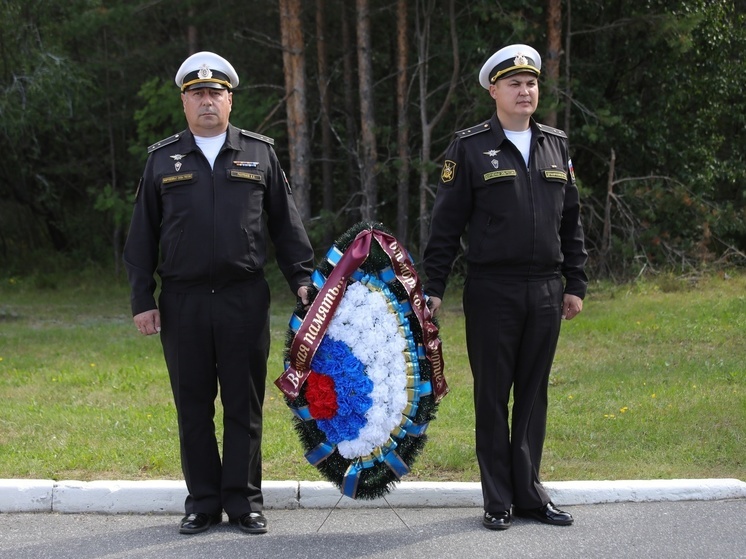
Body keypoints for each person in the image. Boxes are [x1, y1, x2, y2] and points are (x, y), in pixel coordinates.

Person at [123, 51, 314, 535]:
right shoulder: (163, 159)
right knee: (192, 405)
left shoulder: (260, 154)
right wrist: (142, 299)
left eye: (215, 93)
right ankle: (203, 502)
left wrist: (303, 279)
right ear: (184, 103)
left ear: (230, 100)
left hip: (243, 298)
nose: (206, 101)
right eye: (196, 94)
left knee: (243, 405)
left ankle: (245, 500)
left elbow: (286, 227)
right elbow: (141, 237)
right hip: (183, 300)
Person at [423, 44, 587, 531]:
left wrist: (574, 281)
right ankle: (498, 498)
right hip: (492, 290)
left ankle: (530, 494)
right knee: (493, 395)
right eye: (514, 83)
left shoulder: (556, 144)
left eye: (532, 83)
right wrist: (434, 285)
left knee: (534, 395)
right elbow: (445, 225)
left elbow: (572, 222)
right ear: (493, 90)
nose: (525, 90)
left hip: (544, 290)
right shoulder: (470, 147)